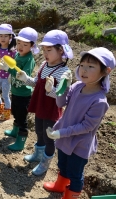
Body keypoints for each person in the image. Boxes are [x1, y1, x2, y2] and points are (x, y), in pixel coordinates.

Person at [43, 47, 115, 199]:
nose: (84, 70)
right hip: (65, 137)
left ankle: (71, 195)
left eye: (91, 66)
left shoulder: (99, 101)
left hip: (80, 144)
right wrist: (57, 89)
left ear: (105, 71)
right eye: (82, 65)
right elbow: (61, 103)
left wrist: (60, 132)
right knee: (62, 165)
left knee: (75, 173)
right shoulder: (77, 86)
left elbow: (87, 127)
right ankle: (60, 185)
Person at [15, 30, 73, 176]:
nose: (45, 53)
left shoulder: (64, 72)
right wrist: (25, 78)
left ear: (61, 50)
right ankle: (38, 154)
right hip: (40, 105)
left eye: (49, 50)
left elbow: (63, 98)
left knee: (49, 137)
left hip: (51, 110)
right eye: (44, 50)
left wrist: (51, 90)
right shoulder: (43, 65)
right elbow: (35, 83)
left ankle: (45, 163)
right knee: (39, 131)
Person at [0, 27, 39, 150]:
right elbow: (12, 65)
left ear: (32, 46)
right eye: (18, 43)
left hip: (24, 94)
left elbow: (23, 75)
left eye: (25, 44)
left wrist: (9, 69)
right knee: (15, 112)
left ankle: (20, 142)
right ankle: (15, 131)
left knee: (22, 118)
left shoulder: (29, 59)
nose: (20, 46)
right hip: (15, 90)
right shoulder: (17, 54)